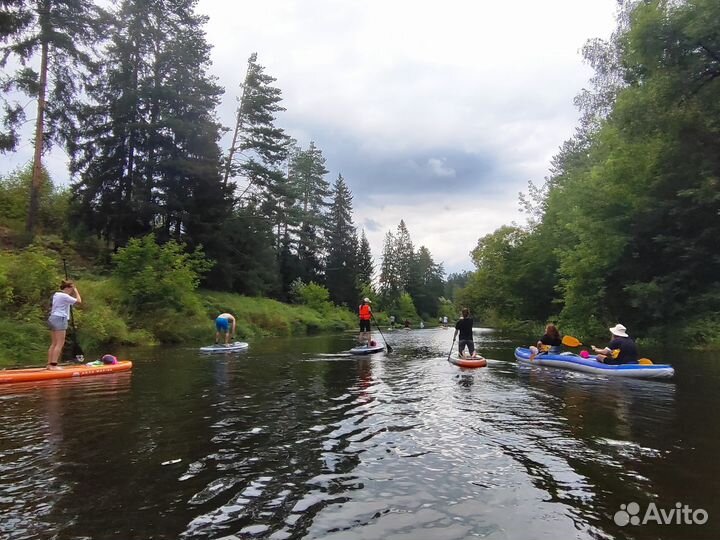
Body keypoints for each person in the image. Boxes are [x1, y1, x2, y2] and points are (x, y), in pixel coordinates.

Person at [47, 280, 82, 370]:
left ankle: (49, 365)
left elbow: (69, 301)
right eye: (72, 288)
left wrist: (72, 291)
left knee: (54, 343)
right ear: (68, 288)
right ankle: (53, 366)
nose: (72, 290)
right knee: (60, 343)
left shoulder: (56, 295)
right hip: (60, 318)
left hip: (53, 318)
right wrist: (76, 291)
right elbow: (79, 301)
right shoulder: (64, 296)